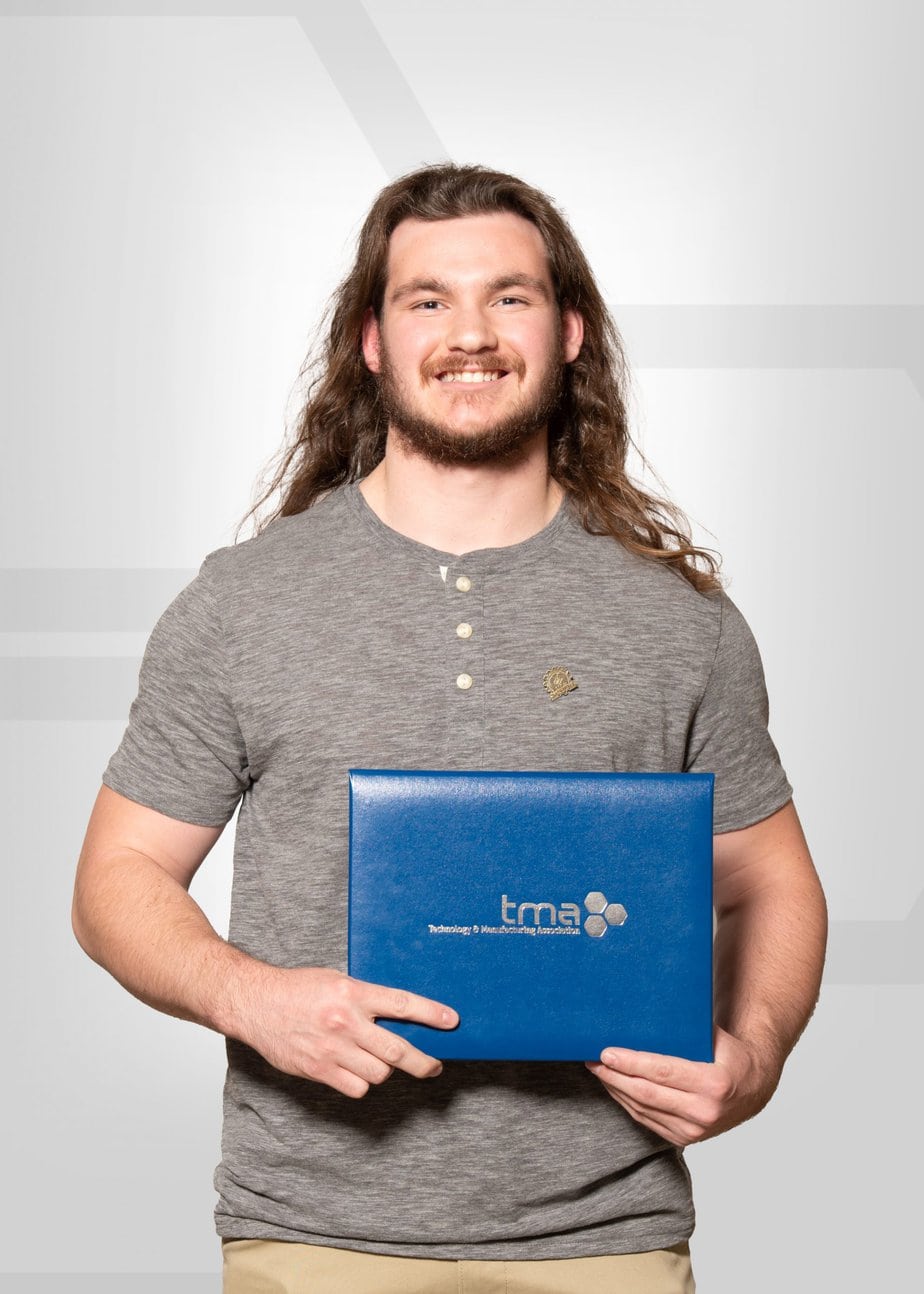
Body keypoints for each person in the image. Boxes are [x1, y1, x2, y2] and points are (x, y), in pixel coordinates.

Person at [72, 162, 827, 1293]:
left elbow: (772, 882)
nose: (470, 333)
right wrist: (252, 998)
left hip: (607, 1238)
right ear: (373, 341)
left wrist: (752, 1057)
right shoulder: (243, 603)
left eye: (509, 297)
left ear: (570, 332)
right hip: (312, 1234)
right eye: (428, 299)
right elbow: (115, 877)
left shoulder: (681, 620)